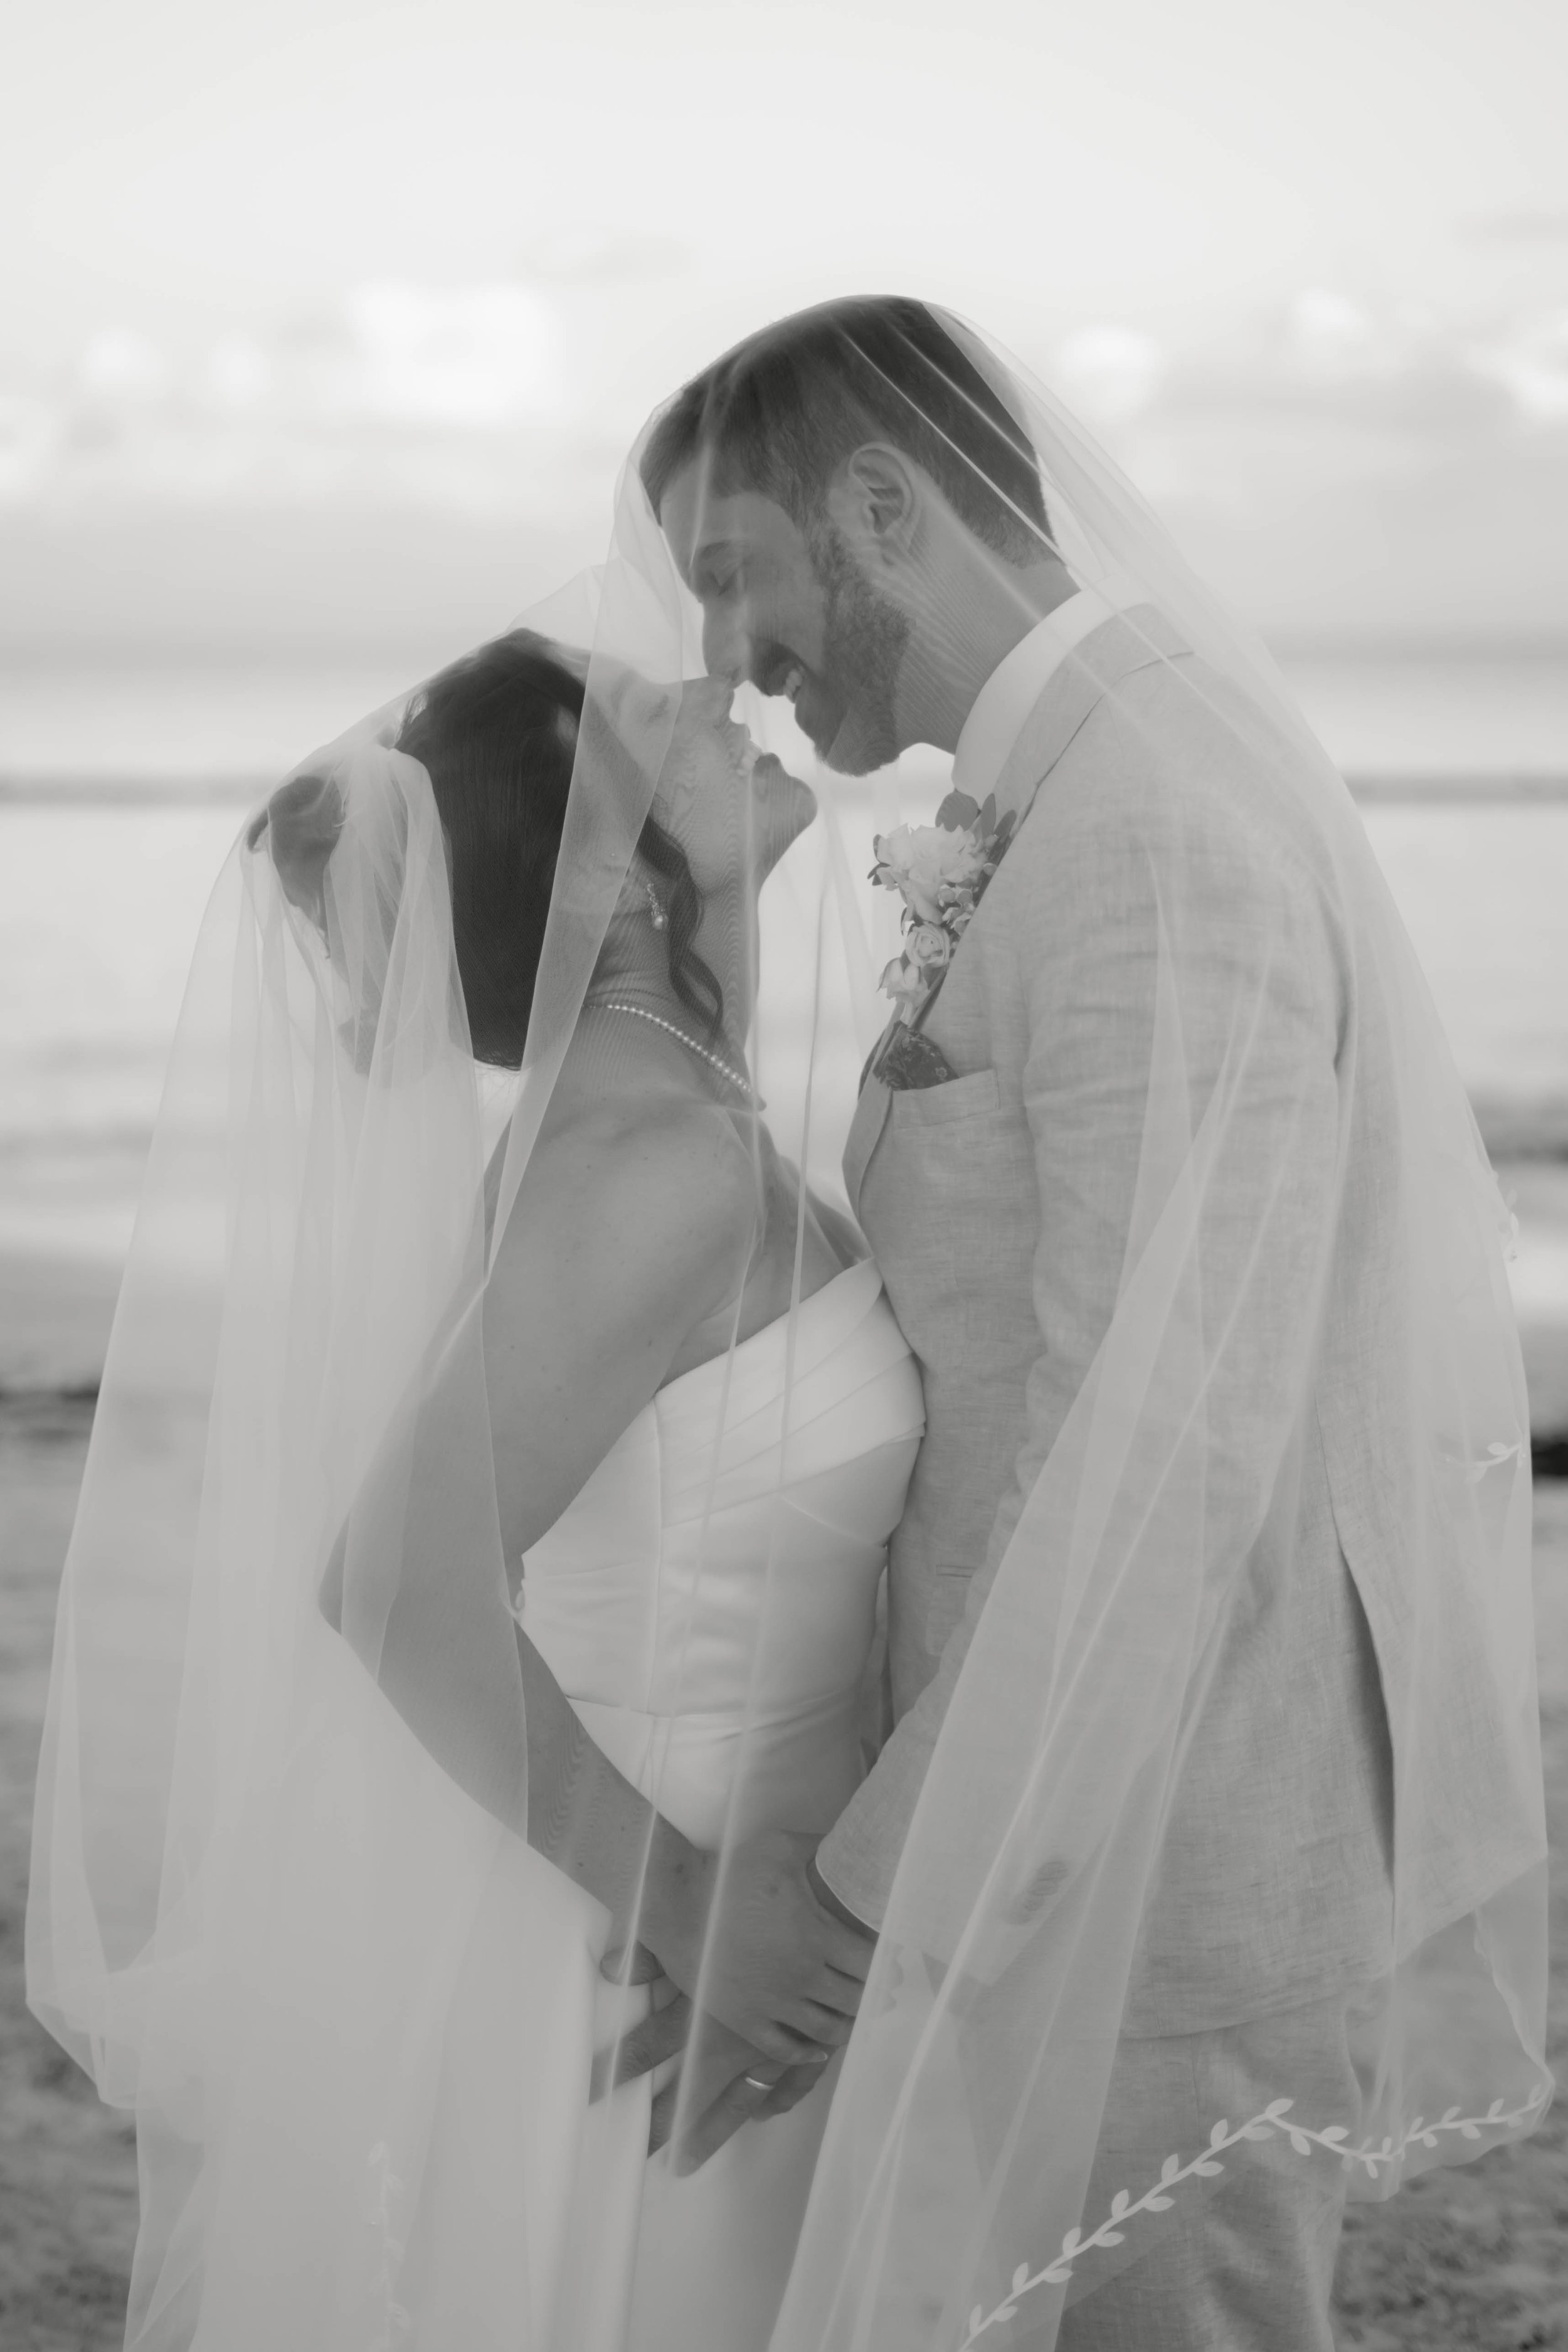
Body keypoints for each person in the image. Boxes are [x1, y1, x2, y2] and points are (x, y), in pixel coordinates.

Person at [618, 297, 1551, 2351]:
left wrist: (867, 1902)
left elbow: (1158, 1447)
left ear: (880, 505)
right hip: (1057, 1815)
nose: (722, 653)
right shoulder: (1078, 782)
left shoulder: (1142, 830)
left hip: (1160, 1861)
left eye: (730, 571)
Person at [28, 623, 924, 2348]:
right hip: (644, 1945)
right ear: (611, 857)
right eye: (664, 716)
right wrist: (692, 1910)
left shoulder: (673, 1102)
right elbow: (395, 1580)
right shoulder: (643, 1162)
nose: (726, 703)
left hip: (741, 1885)